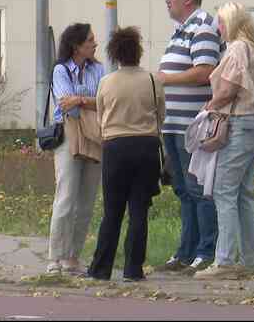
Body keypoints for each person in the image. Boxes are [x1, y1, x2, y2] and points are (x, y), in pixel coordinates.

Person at [194, 2, 254, 279]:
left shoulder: (237, 48)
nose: (218, 28)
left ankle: (224, 262)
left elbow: (228, 89)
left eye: (222, 22)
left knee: (223, 191)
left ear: (232, 23)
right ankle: (249, 262)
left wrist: (209, 106)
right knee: (243, 195)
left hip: (241, 123)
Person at [86, 26, 165, 282]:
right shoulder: (153, 80)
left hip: (116, 148)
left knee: (112, 211)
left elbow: (101, 116)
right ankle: (133, 269)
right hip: (146, 147)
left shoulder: (106, 82)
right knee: (139, 210)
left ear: (115, 54)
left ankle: (101, 269)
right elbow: (160, 116)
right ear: (138, 51)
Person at [156, 0, 222, 274]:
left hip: (193, 126)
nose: (166, 0)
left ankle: (206, 251)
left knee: (198, 189)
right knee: (182, 190)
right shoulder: (179, 30)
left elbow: (205, 72)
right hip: (173, 124)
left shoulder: (204, 26)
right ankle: (185, 252)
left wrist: (166, 79)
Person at [47, 23, 105, 275]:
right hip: (68, 137)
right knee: (66, 197)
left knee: (87, 201)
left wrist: (80, 99)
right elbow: (64, 105)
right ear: (77, 46)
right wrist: (88, 102)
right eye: (90, 40)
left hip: (94, 136)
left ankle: (73, 256)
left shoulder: (99, 68)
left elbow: (106, 101)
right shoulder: (60, 70)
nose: (95, 44)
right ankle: (54, 257)